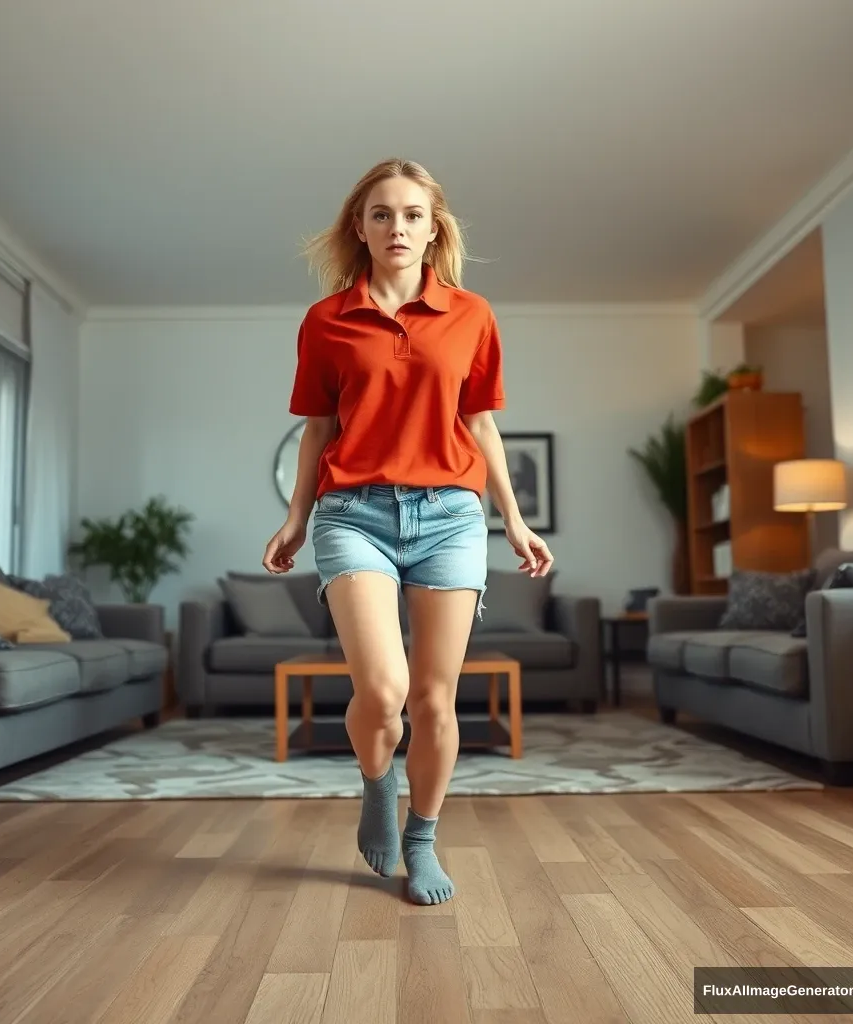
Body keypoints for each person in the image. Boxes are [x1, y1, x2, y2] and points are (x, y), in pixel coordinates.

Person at [262, 158, 553, 905]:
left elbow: (480, 424)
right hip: (353, 512)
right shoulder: (326, 321)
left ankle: (422, 840)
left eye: (413, 215)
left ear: (434, 229)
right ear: (359, 227)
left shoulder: (472, 314)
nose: (398, 227)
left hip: (451, 516)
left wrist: (514, 521)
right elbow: (316, 428)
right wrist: (296, 517)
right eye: (383, 214)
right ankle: (375, 786)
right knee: (383, 690)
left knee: (432, 699)